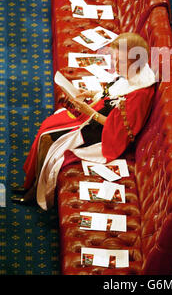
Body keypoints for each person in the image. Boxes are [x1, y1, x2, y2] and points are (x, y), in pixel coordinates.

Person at [11, 32, 156, 209]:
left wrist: (89, 111)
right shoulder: (134, 74)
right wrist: (93, 95)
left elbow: (119, 128)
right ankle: (31, 183)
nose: (115, 66)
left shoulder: (140, 93)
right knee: (48, 126)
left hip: (105, 137)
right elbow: (113, 93)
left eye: (121, 61)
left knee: (49, 140)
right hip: (94, 119)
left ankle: (36, 192)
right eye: (115, 59)